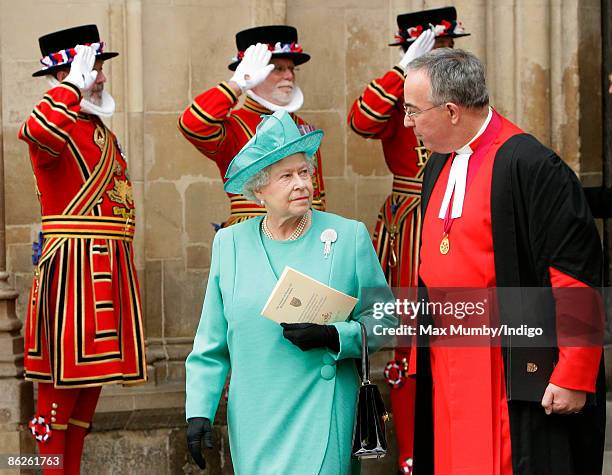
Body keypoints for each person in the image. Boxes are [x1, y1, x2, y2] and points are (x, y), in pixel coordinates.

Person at [405, 48, 605, 474]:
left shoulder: (532, 166)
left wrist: (573, 372)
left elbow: (574, 276)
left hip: (506, 361)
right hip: (448, 361)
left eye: (413, 111)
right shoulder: (437, 163)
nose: (408, 122)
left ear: (452, 111)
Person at [185, 110, 395, 474]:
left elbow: (387, 319)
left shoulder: (348, 237)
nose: (301, 183)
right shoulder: (230, 244)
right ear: (259, 188)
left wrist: (336, 335)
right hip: (255, 419)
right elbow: (211, 342)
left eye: (304, 172)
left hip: (323, 408)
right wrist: (199, 410)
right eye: (286, 176)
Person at [18, 25, 147, 474]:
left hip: (105, 269)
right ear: (69, 74)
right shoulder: (55, 124)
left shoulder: (98, 131)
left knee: (84, 405)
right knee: (54, 408)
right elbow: (34, 128)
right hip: (72, 272)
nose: (102, 78)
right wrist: (72, 85)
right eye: (94, 70)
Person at [347, 7, 470, 472]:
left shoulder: (466, 91)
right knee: (408, 343)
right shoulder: (401, 95)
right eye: (432, 47)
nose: (442, 54)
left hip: (464, 215)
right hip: (414, 224)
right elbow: (360, 121)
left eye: (445, 46)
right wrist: (402, 71)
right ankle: (413, 459)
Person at [179, 25, 326, 228]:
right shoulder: (234, 126)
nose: (289, 76)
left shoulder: (302, 127)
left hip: (307, 231)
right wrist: (238, 84)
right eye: (278, 69)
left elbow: (318, 198)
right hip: (254, 233)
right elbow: (192, 123)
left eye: (291, 69)